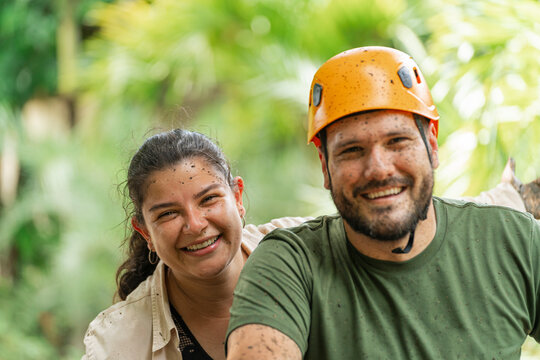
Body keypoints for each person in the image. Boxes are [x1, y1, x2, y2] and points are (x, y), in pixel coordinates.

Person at [226, 46, 540, 359]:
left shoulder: (515, 243)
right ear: (325, 166)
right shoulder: (289, 265)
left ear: (432, 144)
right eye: (351, 150)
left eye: (397, 141)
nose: (378, 168)